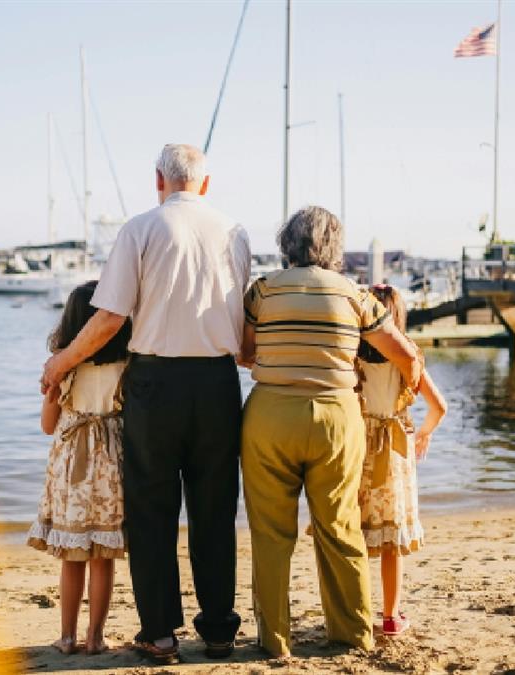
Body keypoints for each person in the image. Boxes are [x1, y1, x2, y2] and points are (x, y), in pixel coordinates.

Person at [39, 144, 250, 662]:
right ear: (206, 182)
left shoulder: (139, 229)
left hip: (155, 382)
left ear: (159, 179)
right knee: (214, 509)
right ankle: (219, 629)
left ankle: (159, 633)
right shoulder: (235, 232)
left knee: (153, 512)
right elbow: (244, 332)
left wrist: (62, 360)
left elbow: (109, 318)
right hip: (219, 382)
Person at [238, 206, 423, 657]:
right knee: (340, 528)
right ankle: (351, 634)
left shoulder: (261, 291)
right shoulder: (355, 295)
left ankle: (274, 639)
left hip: (269, 417)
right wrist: (405, 398)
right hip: (337, 420)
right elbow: (406, 356)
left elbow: (244, 353)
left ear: (288, 243)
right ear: (335, 247)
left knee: (270, 533)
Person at [27, 281, 132, 655]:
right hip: (111, 465)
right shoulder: (127, 365)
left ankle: (67, 637)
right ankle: (96, 638)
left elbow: (47, 425)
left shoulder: (63, 368)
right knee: (103, 557)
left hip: (72, 465)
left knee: (72, 558)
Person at [355, 284, 447, 637]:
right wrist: (424, 432)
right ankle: (391, 617)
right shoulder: (409, 359)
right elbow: (439, 406)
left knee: (358, 536)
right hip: (395, 452)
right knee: (392, 543)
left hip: (360, 448)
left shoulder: (353, 358)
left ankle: (358, 612)